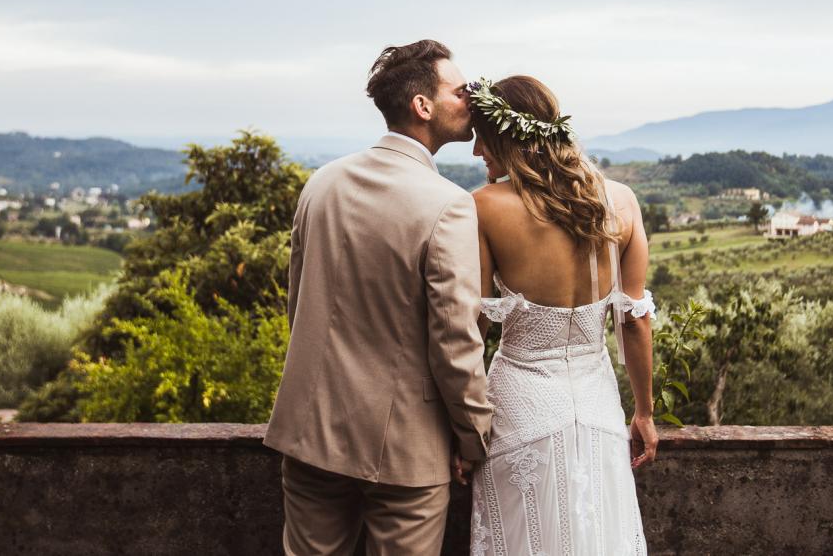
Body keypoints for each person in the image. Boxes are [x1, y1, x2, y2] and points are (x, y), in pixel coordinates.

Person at [263, 40, 493, 555]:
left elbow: (298, 305)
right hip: (405, 448)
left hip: (309, 430)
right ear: (422, 106)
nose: (472, 100)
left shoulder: (321, 183)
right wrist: (473, 436)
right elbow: (455, 341)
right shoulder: (449, 205)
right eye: (461, 92)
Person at [466, 75, 656, 555]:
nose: (476, 151)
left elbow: (474, 327)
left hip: (518, 410)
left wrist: (460, 422)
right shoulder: (622, 201)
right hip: (600, 411)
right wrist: (645, 412)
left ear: (506, 138)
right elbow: (634, 321)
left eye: (481, 138)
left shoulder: (484, 207)